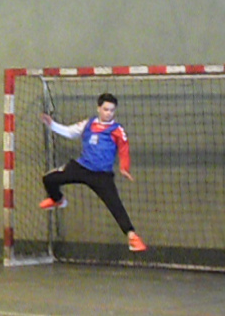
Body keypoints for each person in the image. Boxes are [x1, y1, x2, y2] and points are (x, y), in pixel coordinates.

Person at [39, 92, 147, 252]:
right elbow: (70, 132)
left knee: (115, 205)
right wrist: (52, 125)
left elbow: (124, 149)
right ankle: (58, 200)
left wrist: (124, 167)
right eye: (105, 109)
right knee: (49, 179)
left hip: (102, 175)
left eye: (112, 110)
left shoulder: (117, 130)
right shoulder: (87, 124)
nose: (108, 113)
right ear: (98, 108)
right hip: (82, 167)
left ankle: (132, 236)